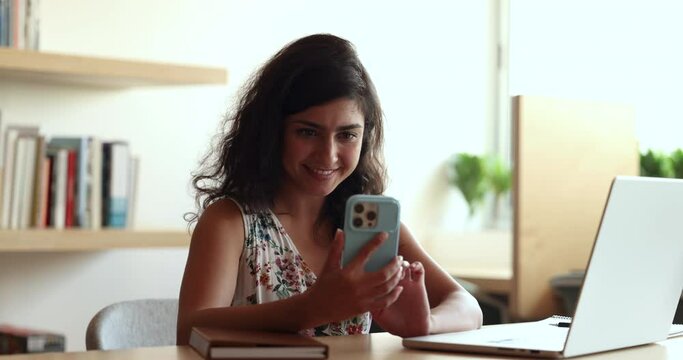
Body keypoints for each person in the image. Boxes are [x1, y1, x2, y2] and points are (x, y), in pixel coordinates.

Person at [177, 33, 482, 345]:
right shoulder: (230, 222)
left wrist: (426, 323)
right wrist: (311, 309)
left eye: (347, 135)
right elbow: (189, 330)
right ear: (271, 131)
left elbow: (468, 307)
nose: (328, 155)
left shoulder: (373, 229)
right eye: (308, 132)